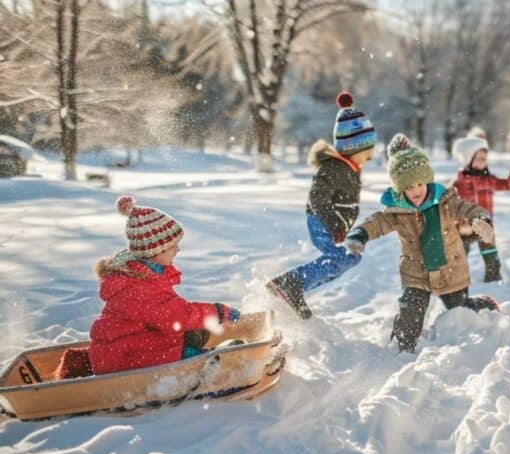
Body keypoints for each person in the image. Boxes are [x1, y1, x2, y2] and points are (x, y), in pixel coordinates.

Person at [344, 134, 498, 353]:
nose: (415, 191)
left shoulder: (446, 200)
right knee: (410, 313)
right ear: (399, 190)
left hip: (451, 271)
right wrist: (360, 234)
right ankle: (400, 349)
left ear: (428, 181)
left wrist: (479, 219)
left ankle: (484, 304)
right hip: (417, 274)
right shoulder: (397, 210)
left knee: (460, 309)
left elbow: (467, 208)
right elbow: (376, 222)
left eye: (420, 184)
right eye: (408, 187)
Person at [88, 196, 240, 375]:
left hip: (126, 348)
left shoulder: (143, 274)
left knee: (194, 331)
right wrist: (218, 312)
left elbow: (171, 312)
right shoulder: (139, 286)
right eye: (173, 246)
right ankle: (202, 369)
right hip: (123, 359)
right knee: (187, 352)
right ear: (154, 251)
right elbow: (176, 316)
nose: (178, 250)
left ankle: (193, 355)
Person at [266, 91, 376, 318]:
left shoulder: (349, 168)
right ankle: (291, 283)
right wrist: (334, 223)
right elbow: (317, 199)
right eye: (367, 151)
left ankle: (293, 290)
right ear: (353, 148)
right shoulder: (334, 168)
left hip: (331, 222)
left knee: (349, 259)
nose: (371, 156)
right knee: (339, 258)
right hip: (320, 219)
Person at [450, 134, 510, 282]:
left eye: (484, 159)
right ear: (468, 160)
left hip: (484, 222)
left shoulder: (488, 179)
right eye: (478, 158)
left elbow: (505, 184)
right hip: (465, 223)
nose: (483, 161)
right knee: (461, 250)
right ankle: (457, 276)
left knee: (489, 249)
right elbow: (452, 203)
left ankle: (493, 275)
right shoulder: (458, 182)